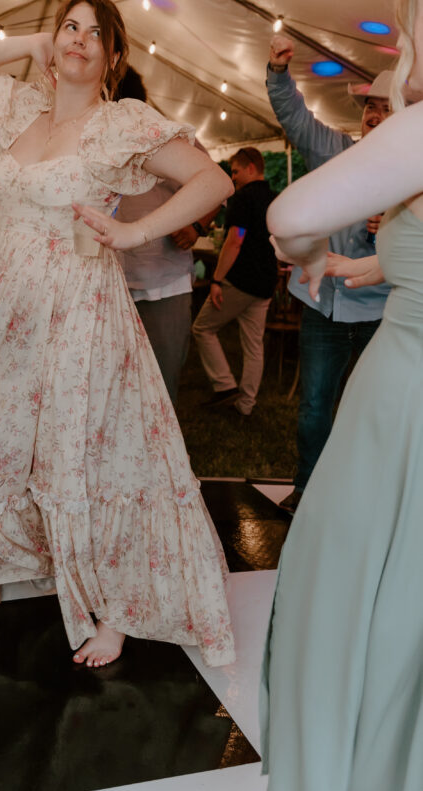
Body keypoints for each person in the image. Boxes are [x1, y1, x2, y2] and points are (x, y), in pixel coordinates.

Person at [0, 0, 236, 669]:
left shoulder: (120, 124)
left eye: (95, 33)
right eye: (70, 27)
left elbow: (211, 181)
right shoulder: (20, 108)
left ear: (113, 56)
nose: (79, 39)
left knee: (86, 456)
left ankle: (114, 611)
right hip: (7, 316)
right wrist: (30, 43)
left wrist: (132, 230)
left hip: (80, 311)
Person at [260, 0, 423, 791]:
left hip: (408, 410)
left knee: (361, 617)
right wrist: (355, 268)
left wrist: (308, 248)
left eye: (410, 20)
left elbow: (285, 212)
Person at [266, 38, 392, 510]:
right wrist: (278, 75)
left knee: (368, 411)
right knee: (315, 406)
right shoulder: (337, 151)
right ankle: (306, 490)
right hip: (323, 304)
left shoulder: (413, 176)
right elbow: (296, 119)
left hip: (379, 310)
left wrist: (393, 229)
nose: (375, 116)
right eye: (370, 109)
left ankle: (360, 498)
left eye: (386, 108)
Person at [114, 67, 197, 404]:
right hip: (113, 280)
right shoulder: (92, 139)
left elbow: (216, 187)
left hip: (164, 279)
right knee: (117, 381)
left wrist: (196, 226)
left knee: (161, 380)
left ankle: (163, 453)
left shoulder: (164, 135)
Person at [191, 146, 277, 416]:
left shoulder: (242, 198)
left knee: (202, 328)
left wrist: (216, 279)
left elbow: (235, 239)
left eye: (236, 171)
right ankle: (246, 405)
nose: (233, 176)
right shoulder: (275, 198)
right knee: (254, 345)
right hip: (266, 282)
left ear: (251, 168)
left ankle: (225, 386)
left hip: (241, 280)